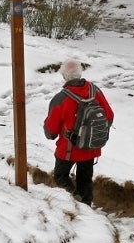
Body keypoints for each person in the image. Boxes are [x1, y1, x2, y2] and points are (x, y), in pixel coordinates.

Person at [43, 58, 114, 205]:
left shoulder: (60, 99)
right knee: (85, 179)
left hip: (68, 149)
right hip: (90, 146)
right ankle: (86, 207)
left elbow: (51, 131)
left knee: (61, 177)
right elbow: (109, 116)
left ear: (64, 76)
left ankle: (74, 201)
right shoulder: (95, 91)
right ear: (80, 73)